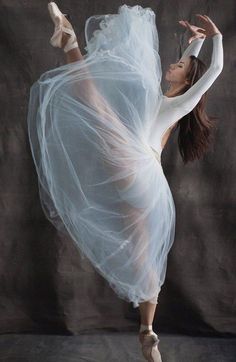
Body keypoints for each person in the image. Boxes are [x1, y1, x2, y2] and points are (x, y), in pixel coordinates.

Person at [27, 3, 223, 361]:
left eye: (177, 66)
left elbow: (210, 73)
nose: (172, 64)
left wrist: (218, 40)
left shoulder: (180, 104)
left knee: (98, 107)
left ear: (186, 81)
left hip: (135, 169)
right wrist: (194, 44)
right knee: (147, 260)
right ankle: (147, 331)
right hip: (146, 191)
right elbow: (192, 69)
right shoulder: (169, 102)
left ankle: (69, 39)